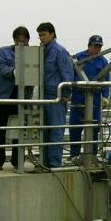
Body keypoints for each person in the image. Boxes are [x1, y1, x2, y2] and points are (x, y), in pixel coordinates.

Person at [0, 26, 33, 170]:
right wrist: (15, 71)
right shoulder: (4, 51)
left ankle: (17, 160)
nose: (24, 45)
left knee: (19, 131)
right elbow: (1, 67)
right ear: (15, 40)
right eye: (21, 42)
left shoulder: (31, 54)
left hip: (21, 98)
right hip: (2, 97)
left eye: (26, 43)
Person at [37, 22, 74, 168]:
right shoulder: (42, 50)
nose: (41, 38)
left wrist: (66, 92)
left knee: (56, 130)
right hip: (43, 95)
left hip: (56, 97)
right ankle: (44, 162)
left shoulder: (59, 51)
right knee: (43, 130)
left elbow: (67, 73)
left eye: (43, 35)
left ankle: (54, 164)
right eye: (39, 35)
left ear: (52, 34)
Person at [69, 35, 109, 159]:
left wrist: (105, 97)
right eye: (95, 46)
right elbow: (70, 76)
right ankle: (74, 155)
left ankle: (92, 155)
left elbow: (106, 80)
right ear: (89, 45)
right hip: (78, 98)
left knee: (94, 129)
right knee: (75, 128)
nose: (97, 49)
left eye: (99, 46)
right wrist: (69, 91)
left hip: (95, 101)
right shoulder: (78, 58)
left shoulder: (103, 61)